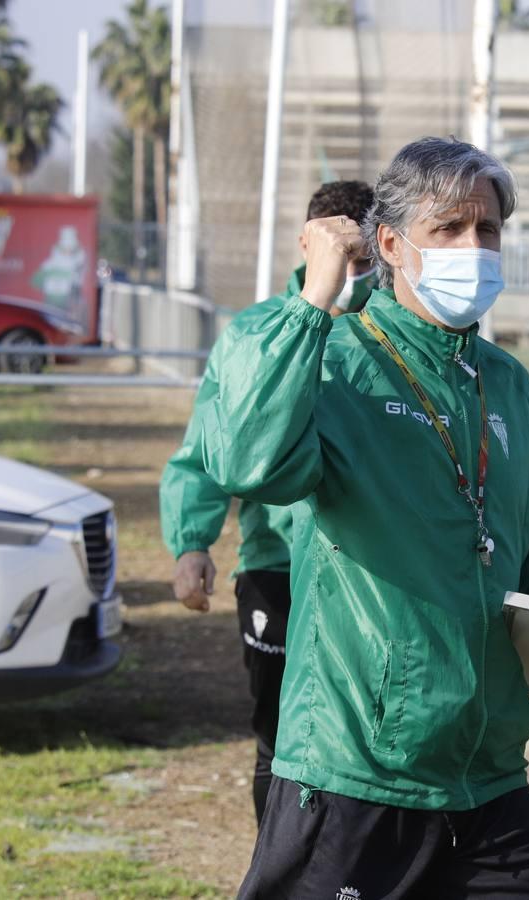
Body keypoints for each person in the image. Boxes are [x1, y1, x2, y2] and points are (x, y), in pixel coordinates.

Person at [203, 138, 529, 898]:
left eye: (489, 230)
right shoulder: (336, 360)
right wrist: (314, 297)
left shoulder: (504, 384)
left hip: (489, 780)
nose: (475, 249)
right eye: (448, 229)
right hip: (356, 775)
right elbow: (247, 462)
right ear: (389, 245)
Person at [160, 180, 376, 824]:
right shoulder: (254, 333)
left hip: (364, 573)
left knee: (356, 740)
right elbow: (207, 443)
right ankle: (278, 867)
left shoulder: (392, 339)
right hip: (276, 567)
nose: (353, 274)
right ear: (310, 244)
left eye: (364, 260)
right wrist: (191, 542)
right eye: (342, 256)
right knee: (277, 736)